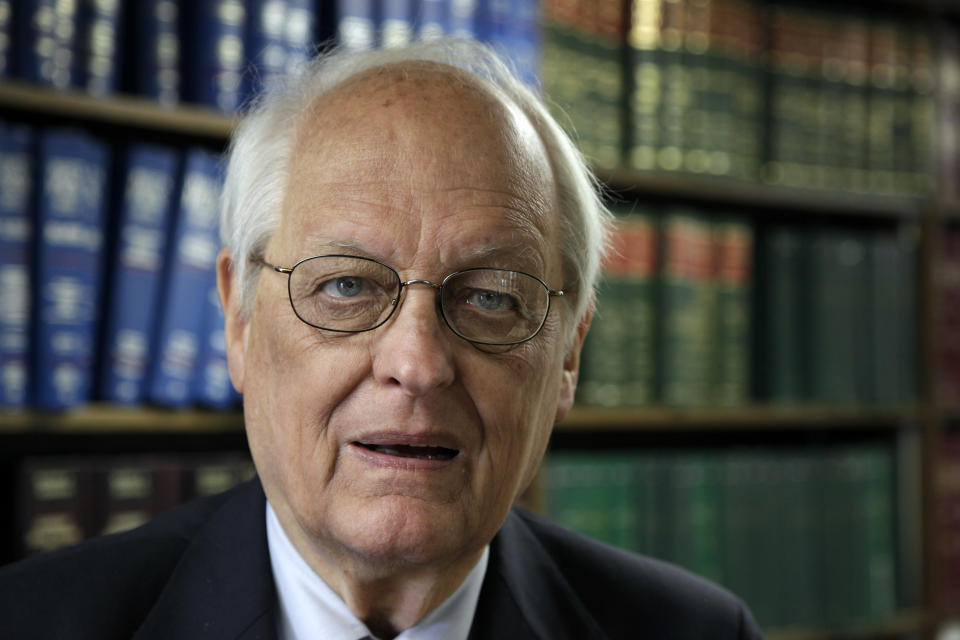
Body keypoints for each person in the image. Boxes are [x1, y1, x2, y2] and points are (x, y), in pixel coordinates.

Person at [0, 39, 763, 640]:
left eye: (492, 297)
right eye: (346, 286)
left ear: (568, 354)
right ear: (240, 318)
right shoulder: (31, 622)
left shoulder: (698, 631)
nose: (417, 365)